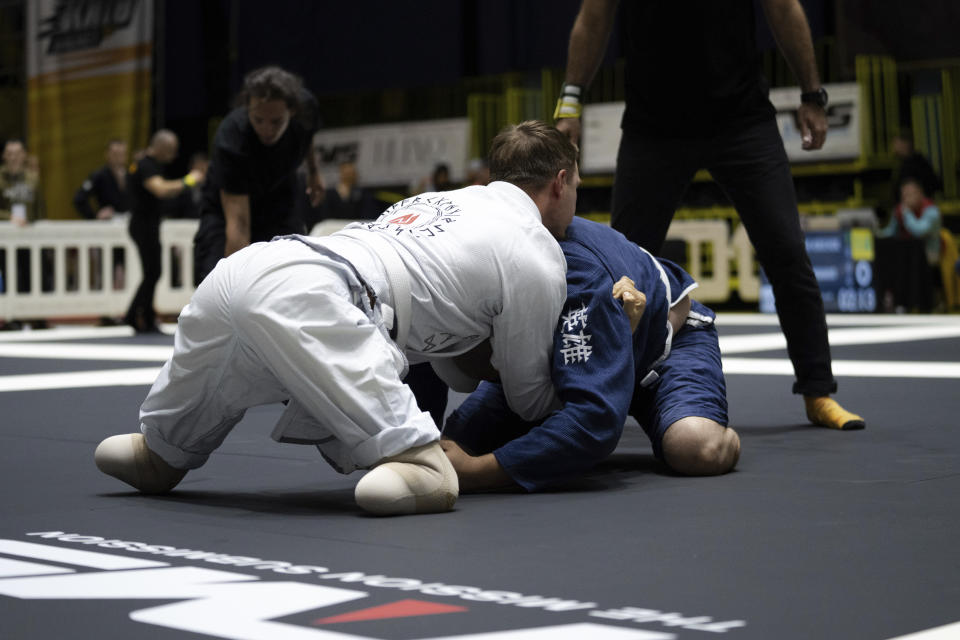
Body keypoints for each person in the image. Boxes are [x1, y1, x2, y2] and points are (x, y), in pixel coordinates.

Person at [94, 120, 577, 516]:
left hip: (242, 273)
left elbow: (443, 331)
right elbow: (529, 398)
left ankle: (159, 453)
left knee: (166, 449)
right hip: (318, 298)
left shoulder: (444, 200)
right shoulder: (535, 250)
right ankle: (413, 467)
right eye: (575, 185)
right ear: (560, 182)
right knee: (430, 472)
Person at [554, 0, 864, 430]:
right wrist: (571, 100)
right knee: (619, 266)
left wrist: (812, 93)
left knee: (787, 253)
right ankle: (600, 391)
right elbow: (594, 17)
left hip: (742, 119)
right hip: (654, 126)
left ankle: (818, 392)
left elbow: (784, 9)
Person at [442, 216, 739, 491]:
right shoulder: (487, 271)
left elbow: (589, 422)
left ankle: (711, 426)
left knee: (696, 447)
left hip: (663, 351)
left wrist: (479, 471)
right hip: (578, 357)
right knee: (455, 440)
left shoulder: (581, 271)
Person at [193, 66, 323, 285]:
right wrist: (234, 288)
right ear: (248, 108)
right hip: (227, 209)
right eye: (258, 120)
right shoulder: (232, 140)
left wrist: (313, 172)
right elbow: (239, 224)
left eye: (276, 122)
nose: (266, 129)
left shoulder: (307, 107)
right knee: (216, 278)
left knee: (290, 269)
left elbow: (306, 136)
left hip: (279, 192)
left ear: (292, 111)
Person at [124, 130, 205, 333]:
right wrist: (190, 180)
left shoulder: (148, 164)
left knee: (153, 272)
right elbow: (160, 189)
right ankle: (136, 316)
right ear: (160, 147)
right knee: (153, 272)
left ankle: (141, 316)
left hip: (148, 223)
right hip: (143, 224)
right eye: (170, 151)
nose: (173, 156)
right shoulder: (146, 165)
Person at [73, 139, 131, 220]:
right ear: (107, 154)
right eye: (115, 154)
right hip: (109, 221)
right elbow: (79, 198)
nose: (118, 157)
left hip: (129, 220)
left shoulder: (131, 174)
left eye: (122, 154)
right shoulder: (98, 176)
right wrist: (94, 216)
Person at [890, 131, 941, 205]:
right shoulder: (906, 162)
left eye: (896, 143)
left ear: (905, 144)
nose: (893, 147)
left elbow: (932, 183)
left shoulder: (916, 163)